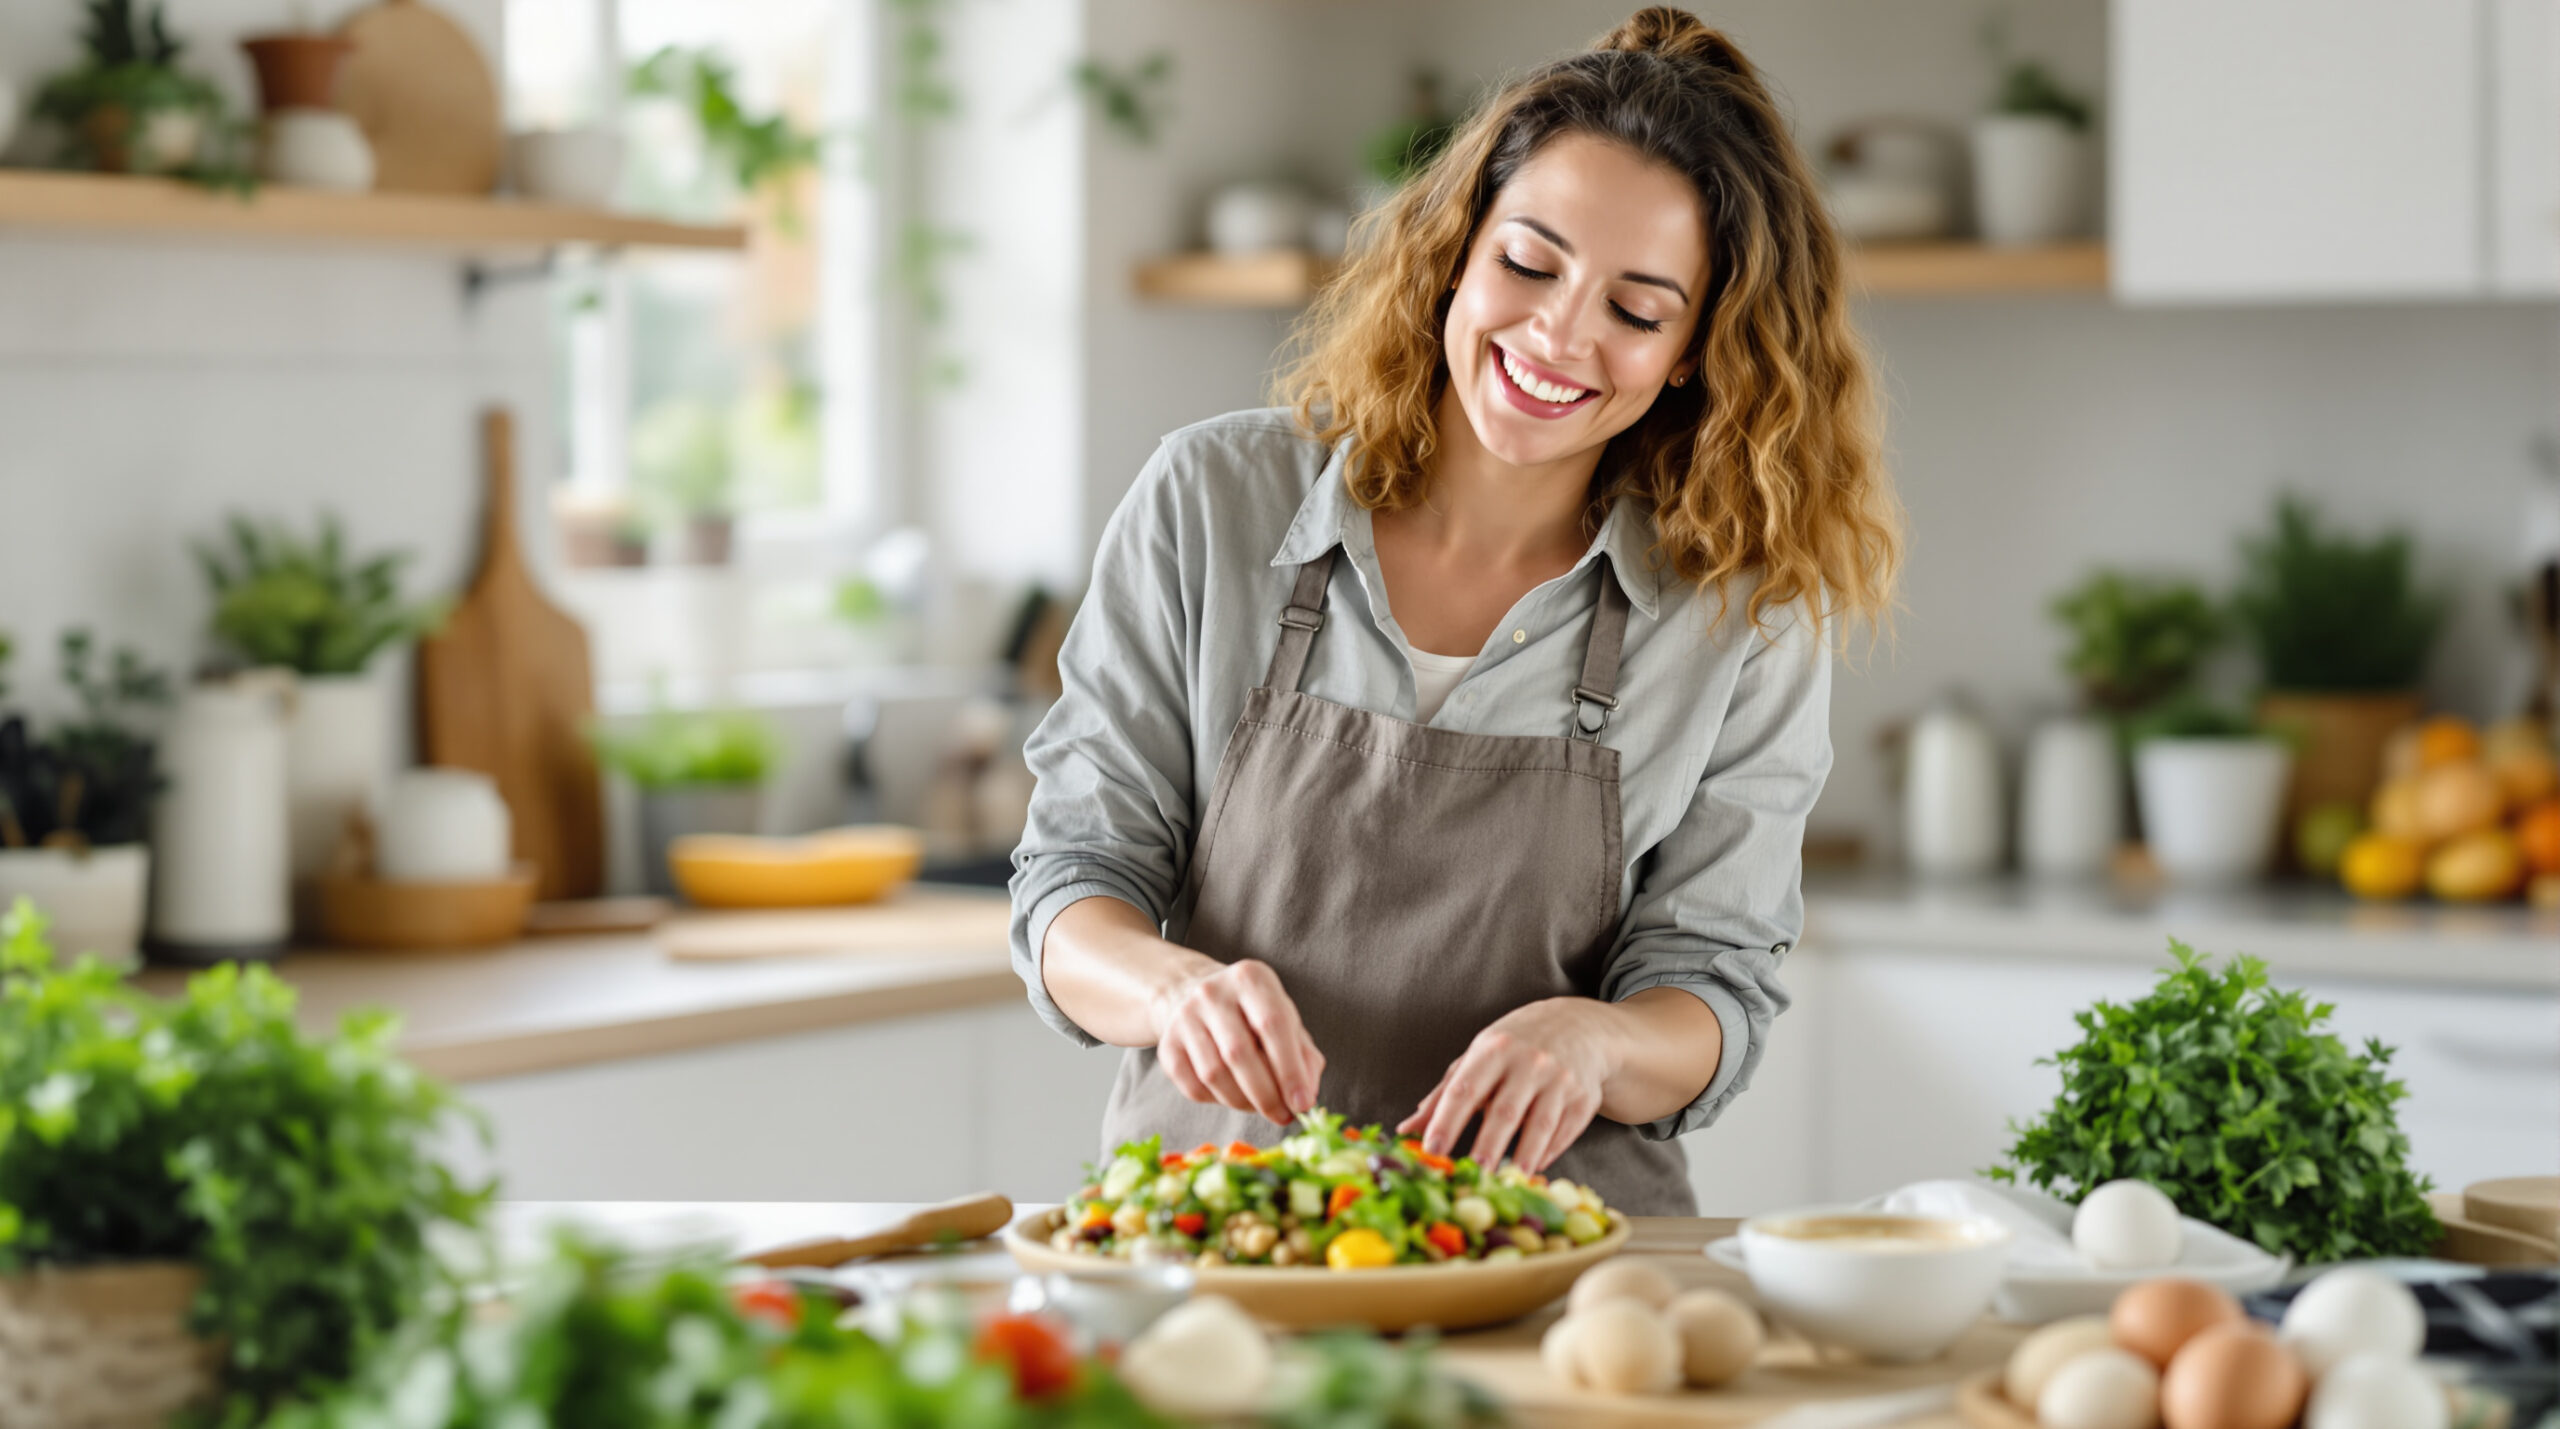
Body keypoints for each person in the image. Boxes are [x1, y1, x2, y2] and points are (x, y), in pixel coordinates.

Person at [1007, 6, 1901, 1215]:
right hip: (1217, 1237)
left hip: (1570, 1260)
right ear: (1456, 252)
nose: (1558, 333)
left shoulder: (1738, 607)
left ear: (1694, 347)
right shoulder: (1211, 500)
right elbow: (1074, 879)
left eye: (1636, 311)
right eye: (1528, 264)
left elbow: (1712, 982)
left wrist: (1600, 1042)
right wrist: (1169, 989)